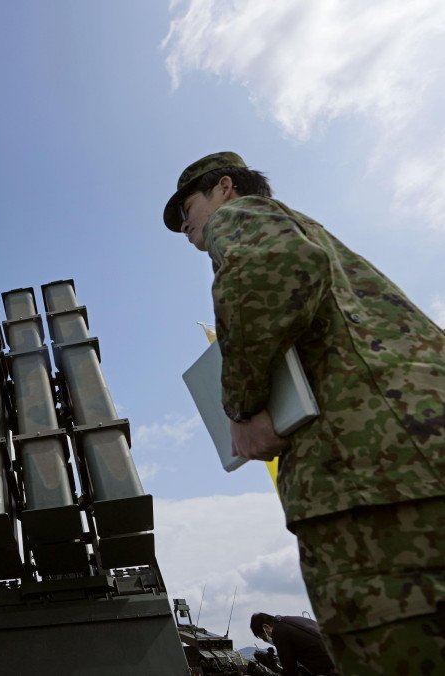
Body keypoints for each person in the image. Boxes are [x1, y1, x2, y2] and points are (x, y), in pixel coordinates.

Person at [164, 152, 445, 673]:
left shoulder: (240, 216)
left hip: (372, 475)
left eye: (188, 208)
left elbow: (271, 268)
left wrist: (243, 408)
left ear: (225, 188)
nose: (185, 227)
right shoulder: (311, 232)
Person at [250, 613, 336, 676]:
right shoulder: (292, 620)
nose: (266, 641)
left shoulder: (279, 632)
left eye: (264, 638)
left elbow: (290, 670)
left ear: (266, 627)